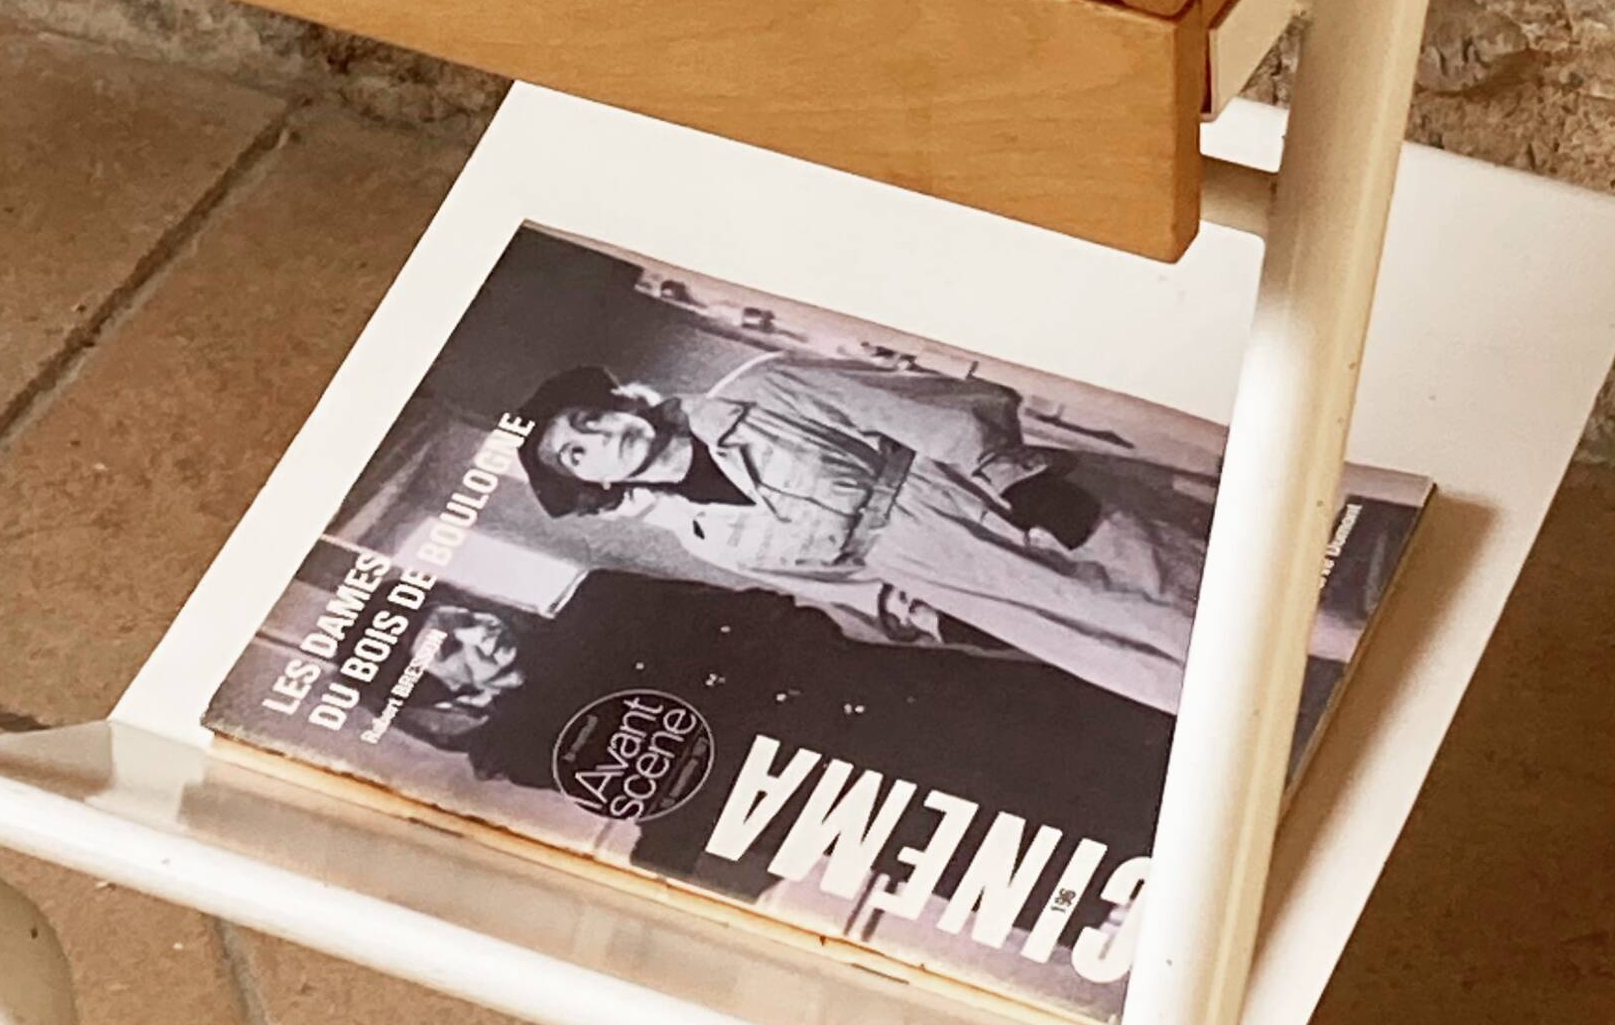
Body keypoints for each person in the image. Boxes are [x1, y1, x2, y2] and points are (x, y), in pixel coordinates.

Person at [396, 568, 1176, 912]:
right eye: (451, 651)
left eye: (461, 615)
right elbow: (693, 786)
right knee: (1101, 862)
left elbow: (765, 614)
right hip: (865, 802)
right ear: (451, 694)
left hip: (906, 696)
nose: (477, 632)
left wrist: (779, 676)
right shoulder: (534, 752)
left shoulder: (604, 600)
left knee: (1132, 750)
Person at [511, 347, 1209, 709]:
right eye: (579, 453)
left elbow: (917, 413)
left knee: (1184, 588)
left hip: (972, 496)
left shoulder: (760, 387)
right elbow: (851, 586)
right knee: (1124, 655)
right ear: (596, 487)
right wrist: (931, 619)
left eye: (590, 418)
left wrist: (1011, 476)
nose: (600, 438)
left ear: (618, 404)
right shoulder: (701, 537)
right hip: (945, 581)